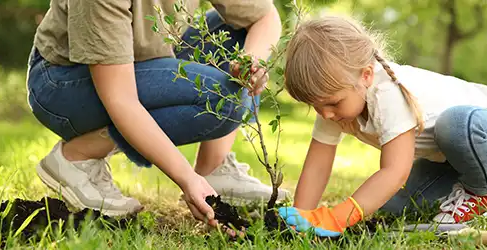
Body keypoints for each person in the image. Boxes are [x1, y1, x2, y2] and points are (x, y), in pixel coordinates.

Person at [25, 0, 290, 226]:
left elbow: (264, 16)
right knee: (226, 100)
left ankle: (215, 168)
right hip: (63, 84)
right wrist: (187, 179)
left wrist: (251, 63)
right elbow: (121, 99)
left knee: (237, 34)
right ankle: (78, 156)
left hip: (145, 61)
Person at [277, 15, 487, 237]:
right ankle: (466, 187)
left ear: (365, 75)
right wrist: (302, 217)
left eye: (332, 104)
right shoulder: (334, 105)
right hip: (449, 160)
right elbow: (318, 165)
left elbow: (395, 171)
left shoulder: (388, 93)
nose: (325, 114)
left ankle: (483, 193)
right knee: (393, 206)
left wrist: (338, 218)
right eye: (315, 106)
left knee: (456, 123)